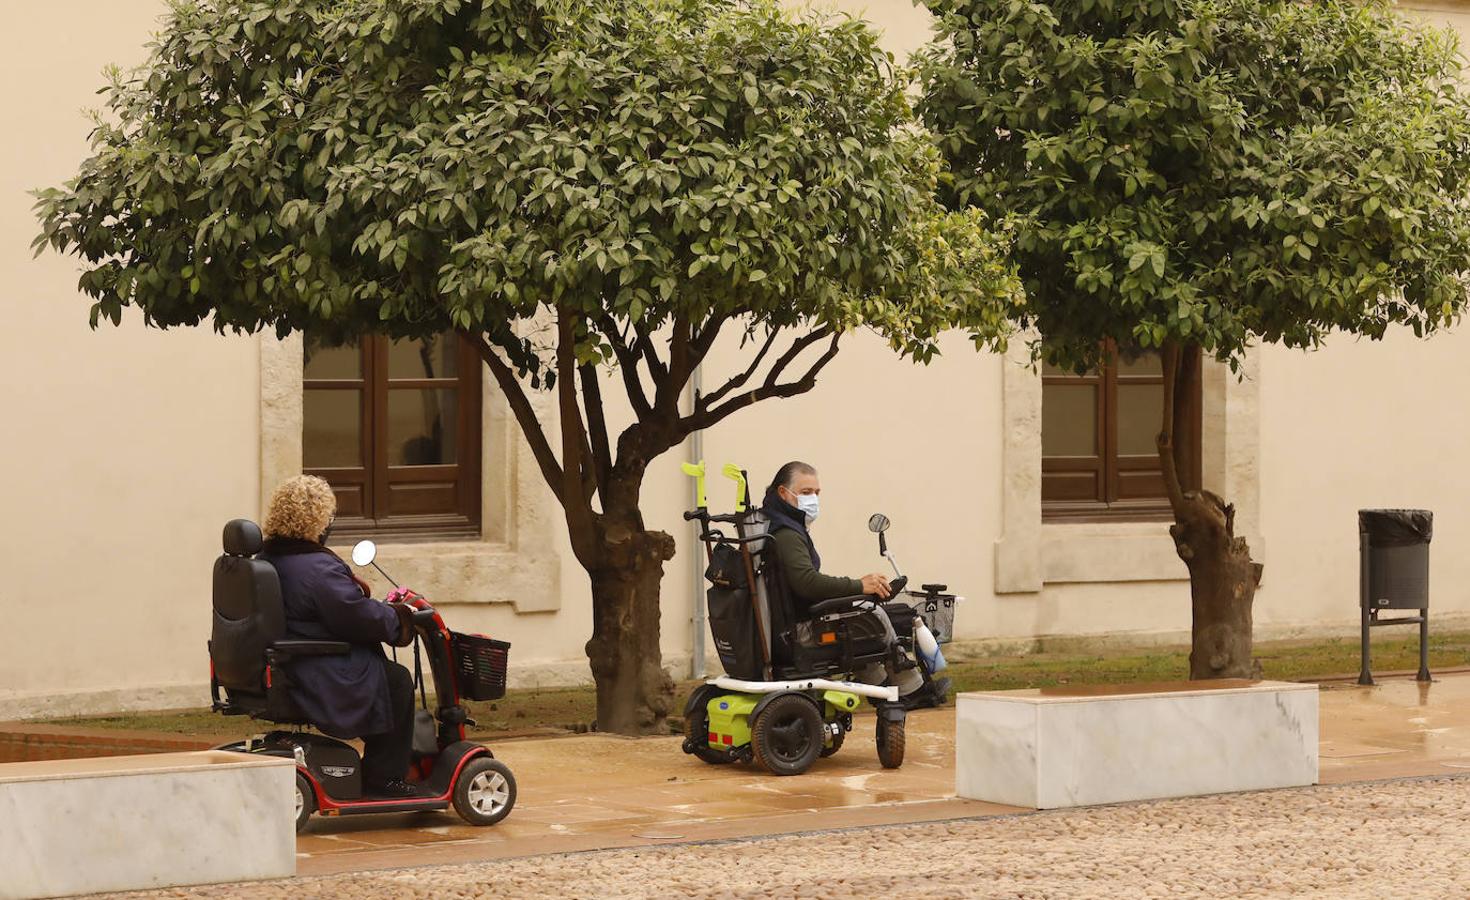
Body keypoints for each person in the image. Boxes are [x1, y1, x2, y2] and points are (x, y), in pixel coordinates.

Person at [257, 475, 420, 797]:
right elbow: (356, 616)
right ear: (317, 520)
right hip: (316, 665)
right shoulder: (315, 568)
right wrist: (399, 617)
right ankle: (384, 778)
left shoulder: (267, 559)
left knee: (388, 678)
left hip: (288, 662)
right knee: (397, 681)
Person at [760, 461, 949, 707]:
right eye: (806, 493)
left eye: (817, 493)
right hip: (800, 630)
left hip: (792, 622)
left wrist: (855, 590)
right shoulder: (786, 533)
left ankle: (884, 691)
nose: (813, 499)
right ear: (784, 493)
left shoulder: (778, 524)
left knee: (859, 619)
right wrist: (859, 586)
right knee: (873, 615)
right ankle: (910, 690)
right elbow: (806, 582)